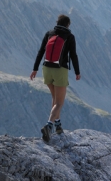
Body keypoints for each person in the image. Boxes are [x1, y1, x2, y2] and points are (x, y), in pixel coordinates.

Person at [30, 14, 81, 142]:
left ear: (57, 22)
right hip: (60, 70)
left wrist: (35, 69)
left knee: (54, 99)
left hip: (46, 69)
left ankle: (58, 126)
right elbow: (73, 55)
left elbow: (41, 51)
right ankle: (49, 126)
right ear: (67, 24)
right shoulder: (69, 36)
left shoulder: (49, 33)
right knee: (59, 103)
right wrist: (77, 72)